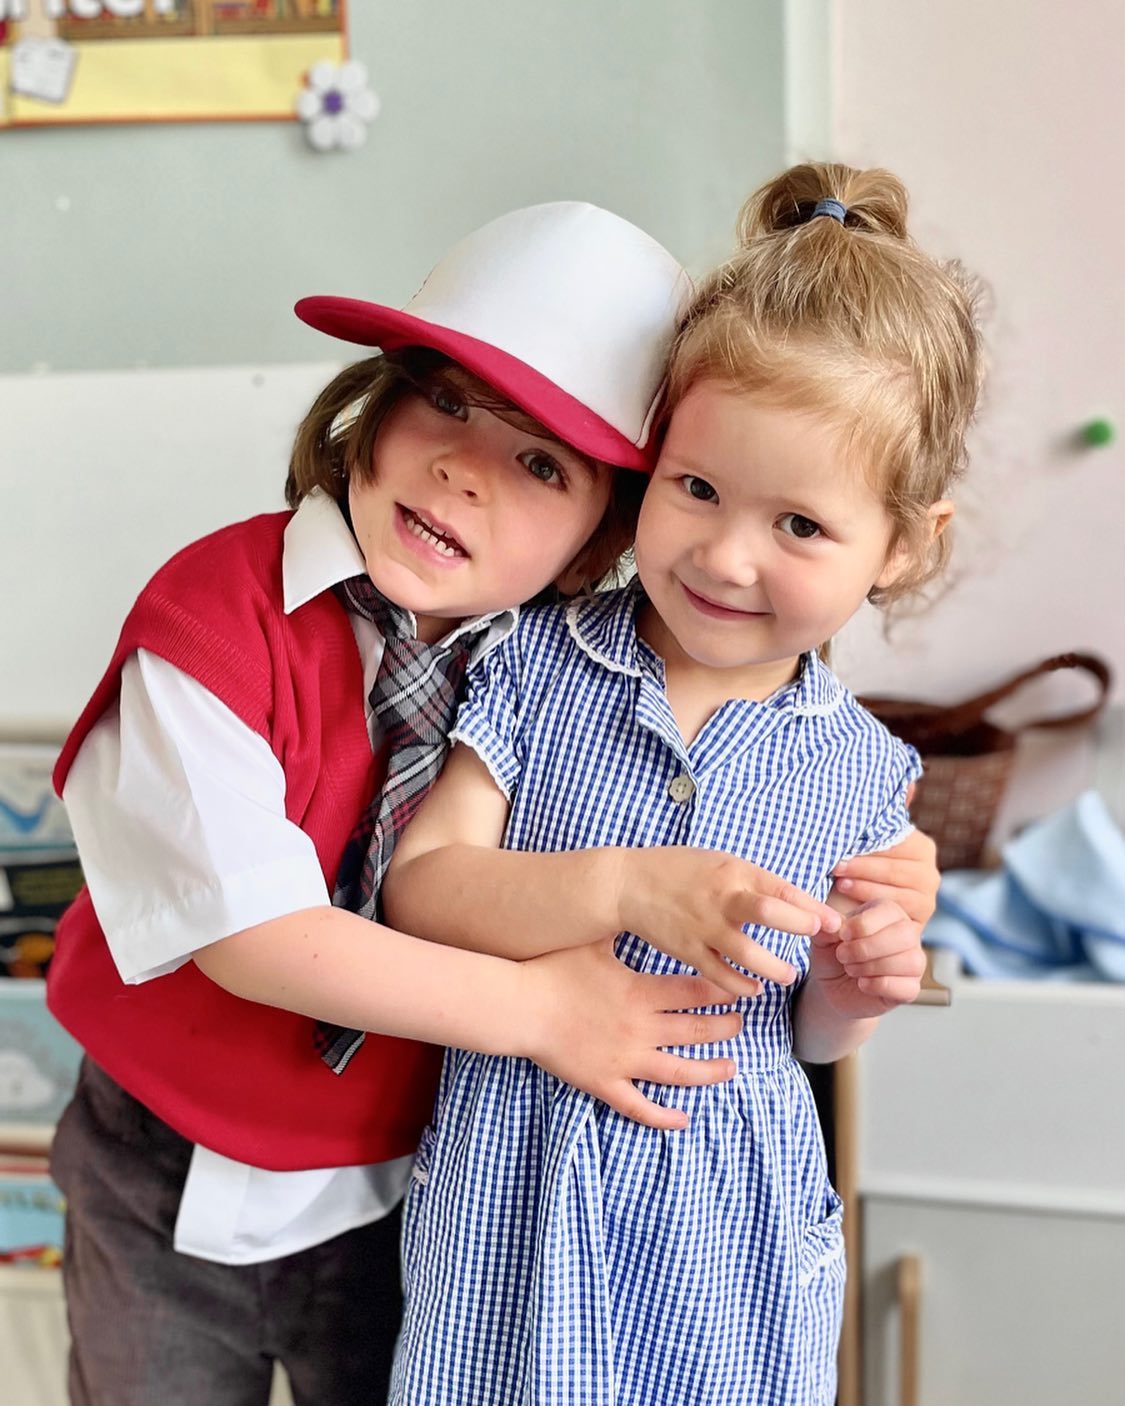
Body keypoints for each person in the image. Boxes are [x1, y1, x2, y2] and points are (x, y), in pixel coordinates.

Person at [47, 200, 916, 1406]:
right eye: (446, 399)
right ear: (372, 399)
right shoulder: (212, 620)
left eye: (543, 462)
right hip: (158, 1161)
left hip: (405, 1189)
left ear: (599, 541)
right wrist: (541, 1008)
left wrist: (871, 899)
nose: (465, 467)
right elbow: (253, 934)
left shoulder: (554, 667)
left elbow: (751, 808)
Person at [383, 161, 983, 1406]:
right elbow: (422, 888)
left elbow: (806, 1032)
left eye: (799, 525)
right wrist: (620, 888)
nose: (724, 555)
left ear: (903, 544)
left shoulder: (863, 770)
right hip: (517, 1202)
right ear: (650, 463)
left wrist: (858, 985)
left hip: (728, 1241)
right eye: (696, 488)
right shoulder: (535, 661)